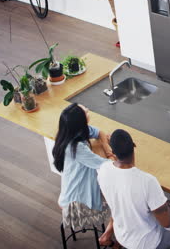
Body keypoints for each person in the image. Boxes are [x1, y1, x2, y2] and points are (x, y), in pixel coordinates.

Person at [97, 129, 170, 249]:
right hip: (147, 241)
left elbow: (123, 196)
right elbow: (166, 223)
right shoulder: (147, 181)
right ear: (134, 145)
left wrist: (158, 205)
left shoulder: (103, 170)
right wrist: (165, 210)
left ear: (112, 151)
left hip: (122, 235)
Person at [52, 103, 118, 247]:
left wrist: (107, 149)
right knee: (120, 202)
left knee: (118, 198)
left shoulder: (72, 132)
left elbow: (99, 132)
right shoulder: (77, 148)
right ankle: (108, 236)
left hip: (76, 189)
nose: (88, 110)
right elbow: (107, 165)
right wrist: (113, 154)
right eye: (85, 112)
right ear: (79, 122)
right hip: (77, 201)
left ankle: (109, 235)